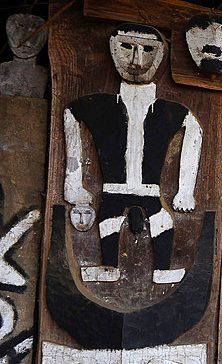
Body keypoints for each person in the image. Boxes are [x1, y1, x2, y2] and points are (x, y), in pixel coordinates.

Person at [63, 23, 202, 283]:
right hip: (112, 189)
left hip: (150, 190)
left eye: (148, 50)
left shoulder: (168, 110)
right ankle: (107, 268)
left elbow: (193, 127)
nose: (137, 60)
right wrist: (73, 181)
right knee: (108, 225)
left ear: (160, 55)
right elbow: (70, 113)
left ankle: (161, 270)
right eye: (127, 47)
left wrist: (185, 189)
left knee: (163, 225)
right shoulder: (100, 105)